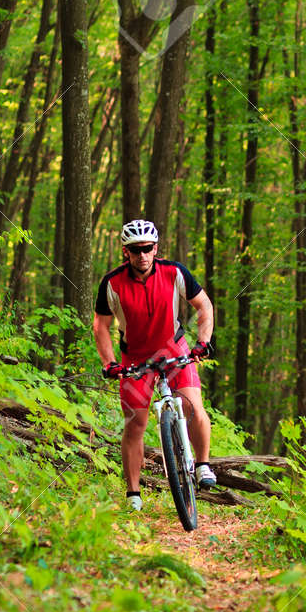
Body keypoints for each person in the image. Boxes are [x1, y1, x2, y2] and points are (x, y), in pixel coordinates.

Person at [93, 219, 217, 511]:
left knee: (193, 406)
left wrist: (203, 342)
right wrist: (109, 363)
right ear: (126, 252)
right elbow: (101, 326)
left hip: (174, 347)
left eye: (147, 249)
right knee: (135, 424)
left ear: (155, 248)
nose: (142, 255)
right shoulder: (112, 283)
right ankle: (133, 494)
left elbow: (204, 306)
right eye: (136, 250)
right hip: (135, 357)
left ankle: (202, 465)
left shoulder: (174, 272)